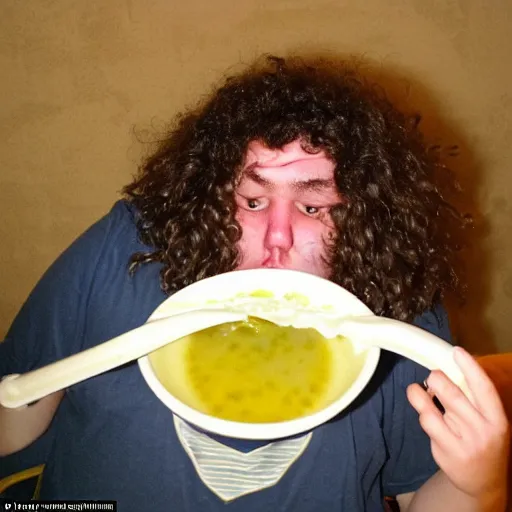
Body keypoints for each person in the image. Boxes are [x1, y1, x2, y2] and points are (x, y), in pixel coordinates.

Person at [0, 55, 509, 511]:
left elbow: (419, 494)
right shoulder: (124, 251)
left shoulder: (401, 309)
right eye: (252, 201)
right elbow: (14, 425)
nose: (277, 239)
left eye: (313, 207)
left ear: (365, 215)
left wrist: (475, 487)